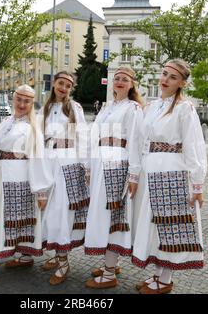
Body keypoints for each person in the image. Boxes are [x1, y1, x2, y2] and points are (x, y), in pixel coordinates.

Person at [131, 59, 207, 294]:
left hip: (171, 171)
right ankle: (157, 273)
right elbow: (140, 140)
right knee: (153, 224)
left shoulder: (185, 108)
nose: (165, 79)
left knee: (169, 224)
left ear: (182, 83)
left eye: (172, 77)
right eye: (164, 74)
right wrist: (136, 173)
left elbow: (193, 146)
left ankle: (165, 278)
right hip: (150, 169)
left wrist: (197, 184)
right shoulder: (152, 106)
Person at [0, 85, 53, 288]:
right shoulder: (5, 121)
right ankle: (23, 257)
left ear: (32, 104)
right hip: (0, 176)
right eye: (19, 99)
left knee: (9, 219)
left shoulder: (33, 127)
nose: (22, 104)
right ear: (13, 99)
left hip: (20, 177)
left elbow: (38, 158)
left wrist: (41, 191)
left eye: (27, 101)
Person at [84, 66, 144, 289]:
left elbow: (136, 141)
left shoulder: (133, 108)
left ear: (131, 84)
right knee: (103, 214)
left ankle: (109, 273)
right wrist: (89, 167)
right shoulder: (107, 107)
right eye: (117, 78)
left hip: (118, 163)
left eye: (124, 79)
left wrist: (134, 174)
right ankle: (111, 263)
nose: (119, 82)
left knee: (113, 216)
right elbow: (94, 136)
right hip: (101, 162)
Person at [40, 71, 90, 285]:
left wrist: (85, 167)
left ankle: (63, 261)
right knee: (48, 211)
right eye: (61, 83)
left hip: (67, 162)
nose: (63, 88)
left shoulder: (74, 108)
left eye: (68, 86)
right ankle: (55, 252)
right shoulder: (45, 108)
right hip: (48, 162)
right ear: (54, 84)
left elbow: (83, 137)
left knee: (61, 212)